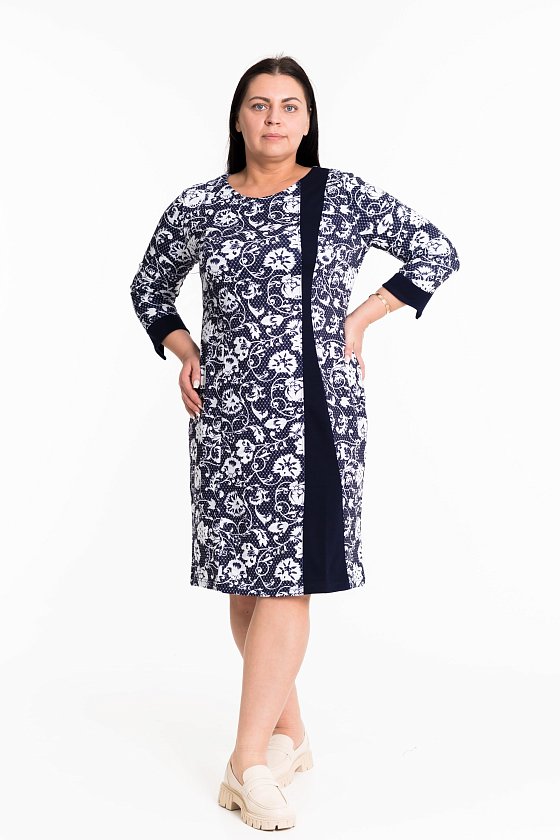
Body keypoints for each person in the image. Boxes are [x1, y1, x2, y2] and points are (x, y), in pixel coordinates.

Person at [130, 55, 460, 830]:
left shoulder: (340, 195)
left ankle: (247, 764)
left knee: (286, 582)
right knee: (247, 587)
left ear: (308, 121)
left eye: (289, 105)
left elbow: (436, 250)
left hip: (313, 414)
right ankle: (293, 735)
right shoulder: (201, 204)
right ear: (239, 118)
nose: (274, 118)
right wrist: (186, 350)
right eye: (259, 104)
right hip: (225, 420)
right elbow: (149, 287)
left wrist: (364, 315)